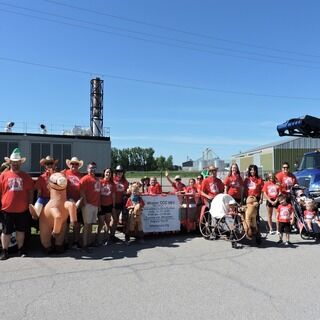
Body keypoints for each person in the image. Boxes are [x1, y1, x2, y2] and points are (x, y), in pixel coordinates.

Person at [0, 148, 34, 260]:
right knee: (6, 232)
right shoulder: (3, 176)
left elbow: (30, 192)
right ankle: (4, 251)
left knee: (21, 231)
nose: (15, 164)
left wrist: (30, 204)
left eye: (17, 162)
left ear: (20, 163)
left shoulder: (26, 176)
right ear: (10, 163)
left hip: (22, 210)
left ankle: (21, 250)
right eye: (13, 162)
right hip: (6, 209)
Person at [63, 156, 84, 248]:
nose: (74, 165)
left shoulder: (81, 175)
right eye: (72, 164)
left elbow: (83, 190)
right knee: (66, 223)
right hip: (67, 202)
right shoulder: (64, 173)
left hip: (78, 202)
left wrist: (80, 201)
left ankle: (76, 241)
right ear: (69, 165)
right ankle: (66, 241)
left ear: (78, 165)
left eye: (76, 164)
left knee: (77, 223)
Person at [80, 162, 101, 250]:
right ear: (87, 169)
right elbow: (82, 192)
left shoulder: (97, 179)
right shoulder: (85, 179)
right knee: (87, 225)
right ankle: (84, 245)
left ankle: (89, 242)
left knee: (92, 225)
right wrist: (85, 204)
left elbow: (98, 193)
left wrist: (99, 205)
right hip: (88, 205)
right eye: (90, 168)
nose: (92, 169)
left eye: (94, 168)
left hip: (95, 205)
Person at [108, 165, 129, 245]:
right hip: (112, 202)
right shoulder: (113, 180)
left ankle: (112, 236)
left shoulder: (125, 182)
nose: (119, 173)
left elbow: (126, 191)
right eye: (118, 172)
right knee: (113, 220)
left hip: (120, 203)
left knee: (116, 220)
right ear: (115, 172)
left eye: (121, 171)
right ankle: (110, 236)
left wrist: (128, 192)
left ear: (123, 173)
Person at [99, 168, 116, 245]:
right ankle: (98, 239)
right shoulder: (100, 182)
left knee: (107, 223)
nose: (108, 174)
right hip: (101, 205)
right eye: (107, 172)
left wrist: (113, 206)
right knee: (101, 223)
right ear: (104, 173)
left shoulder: (112, 184)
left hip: (109, 205)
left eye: (109, 172)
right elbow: (97, 194)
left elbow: (113, 195)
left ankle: (106, 238)